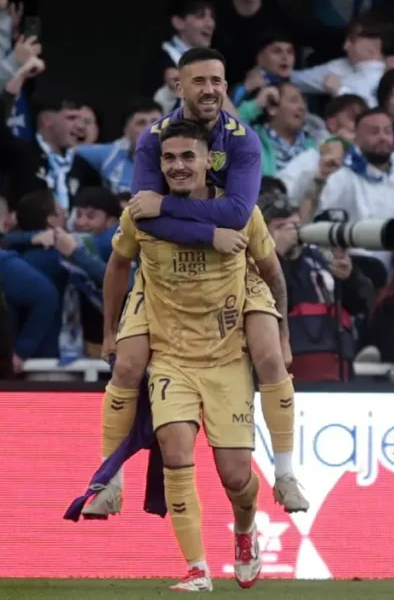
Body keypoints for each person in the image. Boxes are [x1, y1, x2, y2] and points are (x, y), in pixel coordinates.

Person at [86, 47, 306, 518]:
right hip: (164, 272)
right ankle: (108, 482)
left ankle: (285, 473)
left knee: (269, 356)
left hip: (234, 271)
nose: (209, 89)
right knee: (125, 367)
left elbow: (236, 213)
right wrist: (207, 231)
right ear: (178, 87)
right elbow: (142, 218)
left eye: (217, 81)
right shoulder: (154, 139)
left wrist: (165, 209)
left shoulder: (243, 140)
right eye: (199, 81)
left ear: (226, 86)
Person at [107, 119, 278, 591]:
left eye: (188, 157)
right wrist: (110, 329)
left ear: (209, 161)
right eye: (169, 158)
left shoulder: (243, 213)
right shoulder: (140, 213)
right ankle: (197, 568)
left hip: (227, 360)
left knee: (235, 478)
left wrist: (280, 335)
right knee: (176, 451)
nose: (178, 166)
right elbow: (118, 264)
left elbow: (271, 269)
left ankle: (245, 528)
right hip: (171, 356)